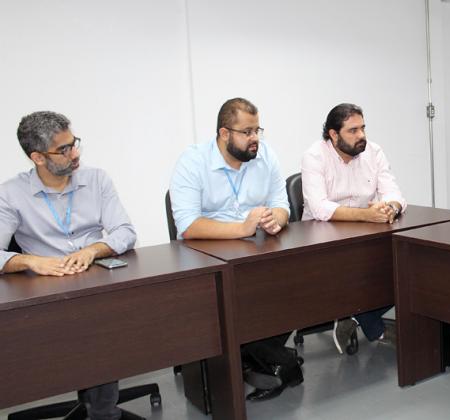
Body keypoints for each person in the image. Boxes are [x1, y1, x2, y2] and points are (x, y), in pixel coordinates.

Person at [0, 111, 137, 420]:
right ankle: (103, 412)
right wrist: (30, 261)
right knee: (85, 327)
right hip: (47, 289)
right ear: (37, 157)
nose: (74, 154)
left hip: (98, 279)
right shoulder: (10, 194)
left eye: (74, 144)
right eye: (63, 149)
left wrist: (93, 250)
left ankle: (101, 409)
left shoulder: (96, 179)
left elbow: (125, 232)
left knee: (117, 316)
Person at [169, 97, 300, 401]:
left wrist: (274, 220)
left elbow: (282, 205)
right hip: (206, 254)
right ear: (224, 133)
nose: (255, 139)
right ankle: (270, 360)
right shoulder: (193, 162)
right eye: (247, 132)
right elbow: (187, 226)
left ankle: (257, 359)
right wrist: (241, 229)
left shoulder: (265, 155)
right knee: (229, 306)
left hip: (256, 249)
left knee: (295, 284)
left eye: (258, 130)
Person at [301, 103, 405, 354]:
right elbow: (320, 209)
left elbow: (394, 193)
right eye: (353, 130)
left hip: (365, 235)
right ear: (333, 135)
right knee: (356, 270)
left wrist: (390, 207)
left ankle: (354, 316)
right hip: (320, 239)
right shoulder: (314, 156)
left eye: (363, 128)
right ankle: (372, 325)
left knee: (405, 266)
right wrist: (366, 215)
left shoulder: (374, 152)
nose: (362, 136)